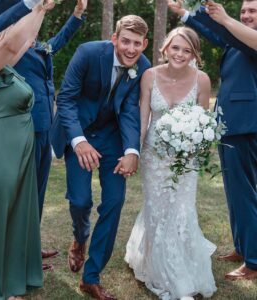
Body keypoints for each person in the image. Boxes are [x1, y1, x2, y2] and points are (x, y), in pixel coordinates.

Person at [51, 14, 150, 300]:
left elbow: (131, 111)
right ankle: (80, 238)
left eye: (137, 44)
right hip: (79, 131)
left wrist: (132, 151)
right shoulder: (88, 53)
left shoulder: (142, 67)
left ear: (145, 44)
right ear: (115, 39)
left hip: (113, 138)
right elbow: (67, 98)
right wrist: (79, 141)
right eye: (126, 42)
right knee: (81, 200)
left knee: (115, 202)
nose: (131, 49)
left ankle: (91, 277)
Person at [125, 26, 216, 300]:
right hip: (154, 156)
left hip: (185, 161)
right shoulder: (149, 76)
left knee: (181, 212)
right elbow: (143, 118)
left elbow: (204, 125)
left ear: (194, 54)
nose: (180, 54)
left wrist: (195, 152)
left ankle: (182, 268)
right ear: (165, 48)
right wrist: (136, 153)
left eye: (187, 50)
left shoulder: (202, 80)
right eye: (176, 48)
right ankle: (164, 275)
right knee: (157, 210)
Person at [168, 0, 257, 281]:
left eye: (253, 11)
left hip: (246, 126)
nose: (246, 15)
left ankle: (254, 261)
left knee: (245, 194)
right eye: (244, 11)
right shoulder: (237, 39)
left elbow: (226, 29)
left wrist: (227, 18)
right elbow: (216, 35)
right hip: (229, 126)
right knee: (235, 193)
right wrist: (186, 14)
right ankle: (243, 247)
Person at [14, 0, 87, 268]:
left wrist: (77, 14)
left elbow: (58, 42)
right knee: (24, 194)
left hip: (46, 128)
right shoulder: (13, 46)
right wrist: (39, 8)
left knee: (39, 192)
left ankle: (31, 246)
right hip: (24, 128)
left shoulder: (37, 45)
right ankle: (20, 255)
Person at [0, 2, 55, 299]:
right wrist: (31, 4)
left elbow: (25, 41)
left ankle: (8, 281)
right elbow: (11, 43)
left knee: (12, 218)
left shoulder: (5, 64)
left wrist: (41, 8)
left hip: (17, 157)